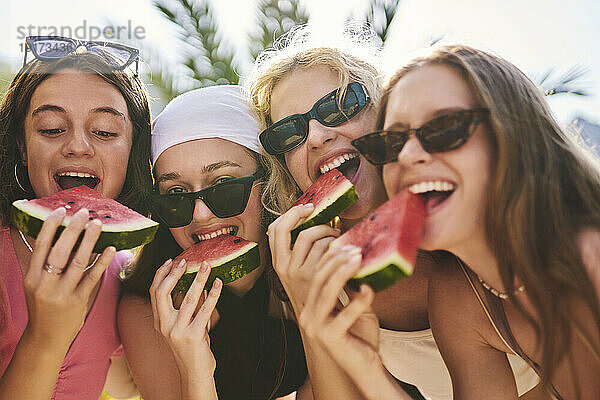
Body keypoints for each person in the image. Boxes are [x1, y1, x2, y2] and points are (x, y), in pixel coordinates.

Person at [246, 27, 540, 399]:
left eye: (340, 105)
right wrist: (309, 310)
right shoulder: (317, 271)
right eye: (288, 134)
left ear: (387, 110)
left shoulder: (480, 219)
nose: (317, 135)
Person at [306, 44, 600, 399]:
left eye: (445, 128)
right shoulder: (461, 297)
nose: (410, 154)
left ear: (515, 135)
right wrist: (365, 365)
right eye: (393, 141)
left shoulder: (589, 255)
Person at [118, 85, 308, 400]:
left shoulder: (316, 263)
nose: (201, 214)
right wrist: (194, 366)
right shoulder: (147, 309)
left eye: (223, 184)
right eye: (176, 194)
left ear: (269, 182)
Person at [0, 36, 152, 400]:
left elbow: (126, 385)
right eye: (52, 128)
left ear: (132, 150)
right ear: (22, 144)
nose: (78, 145)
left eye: (105, 132)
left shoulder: (125, 269)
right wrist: (45, 336)